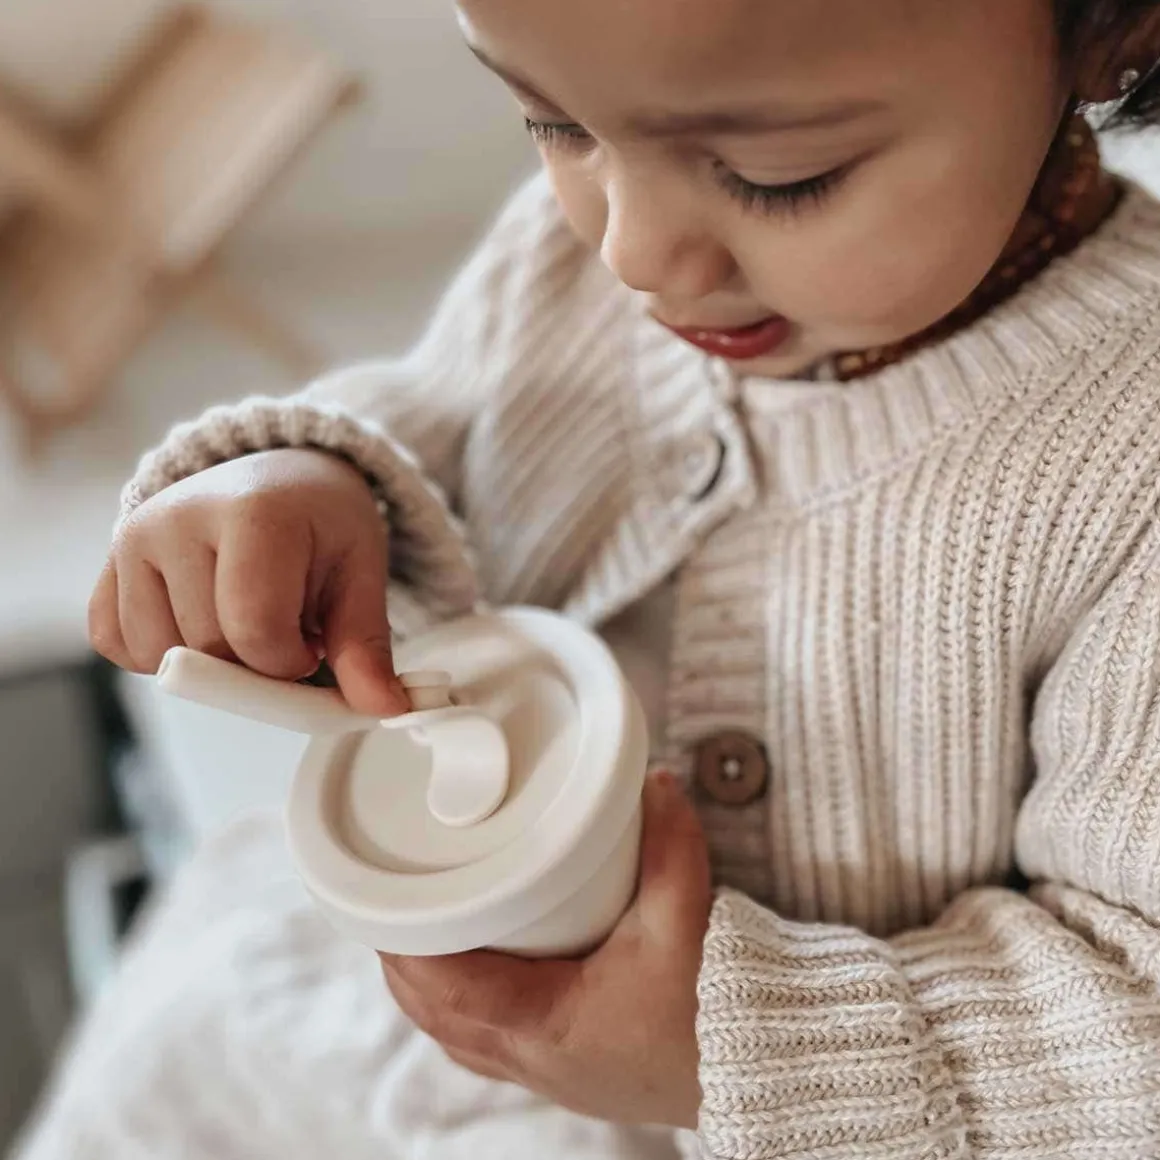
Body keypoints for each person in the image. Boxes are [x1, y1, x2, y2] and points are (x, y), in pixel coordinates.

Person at [85, 0, 1160, 1155]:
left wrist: (726, 1051)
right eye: (553, 125)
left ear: (1119, 29)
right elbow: (446, 425)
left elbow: (1131, 1008)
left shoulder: (1128, 460)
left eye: (779, 176)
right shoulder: (566, 259)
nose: (630, 252)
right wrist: (313, 481)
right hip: (383, 1026)